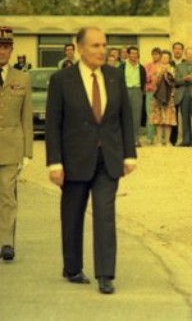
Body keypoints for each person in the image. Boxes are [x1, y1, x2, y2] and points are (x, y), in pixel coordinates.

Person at [45, 27, 137, 294]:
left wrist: (129, 154)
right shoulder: (62, 80)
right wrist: (54, 163)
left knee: (105, 214)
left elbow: (125, 119)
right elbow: (53, 125)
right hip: (74, 159)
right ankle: (72, 267)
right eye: (95, 45)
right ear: (80, 48)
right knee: (72, 215)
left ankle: (105, 274)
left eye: (104, 45)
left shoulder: (114, 77)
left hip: (108, 159)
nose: (101, 50)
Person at [0, 26, 33, 262]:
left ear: (11, 50)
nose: (2, 51)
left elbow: (27, 117)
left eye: (5, 47)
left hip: (11, 146)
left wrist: (28, 152)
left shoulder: (22, 79)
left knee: (7, 196)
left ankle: (6, 243)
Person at [119, 46, 146, 147]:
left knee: (136, 116)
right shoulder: (122, 66)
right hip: (125, 90)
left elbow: (143, 81)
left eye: (136, 53)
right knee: (124, 116)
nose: (134, 55)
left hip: (137, 91)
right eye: (132, 53)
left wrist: (140, 91)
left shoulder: (141, 67)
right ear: (128, 54)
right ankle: (124, 140)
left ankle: (136, 140)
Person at [151, 50, 177, 145]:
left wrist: (168, 74)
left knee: (168, 119)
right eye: (163, 57)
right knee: (158, 119)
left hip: (169, 96)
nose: (165, 59)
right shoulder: (155, 68)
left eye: (167, 57)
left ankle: (167, 140)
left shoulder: (172, 68)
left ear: (169, 59)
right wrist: (160, 74)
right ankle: (158, 140)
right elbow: (154, 82)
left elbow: (174, 82)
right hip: (158, 96)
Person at [144, 47, 163, 145]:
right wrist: (152, 74)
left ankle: (160, 137)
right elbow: (145, 78)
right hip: (150, 92)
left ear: (160, 55)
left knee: (160, 114)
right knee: (149, 114)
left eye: (157, 54)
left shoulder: (163, 66)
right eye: (153, 54)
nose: (155, 56)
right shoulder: (147, 66)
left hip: (161, 93)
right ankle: (149, 137)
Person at [169, 41, 185, 146]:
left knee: (184, 116)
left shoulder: (186, 63)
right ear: (173, 50)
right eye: (176, 48)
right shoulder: (169, 63)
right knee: (172, 116)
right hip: (170, 92)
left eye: (180, 48)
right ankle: (172, 139)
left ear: (182, 51)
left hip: (183, 91)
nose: (178, 50)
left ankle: (184, 138)